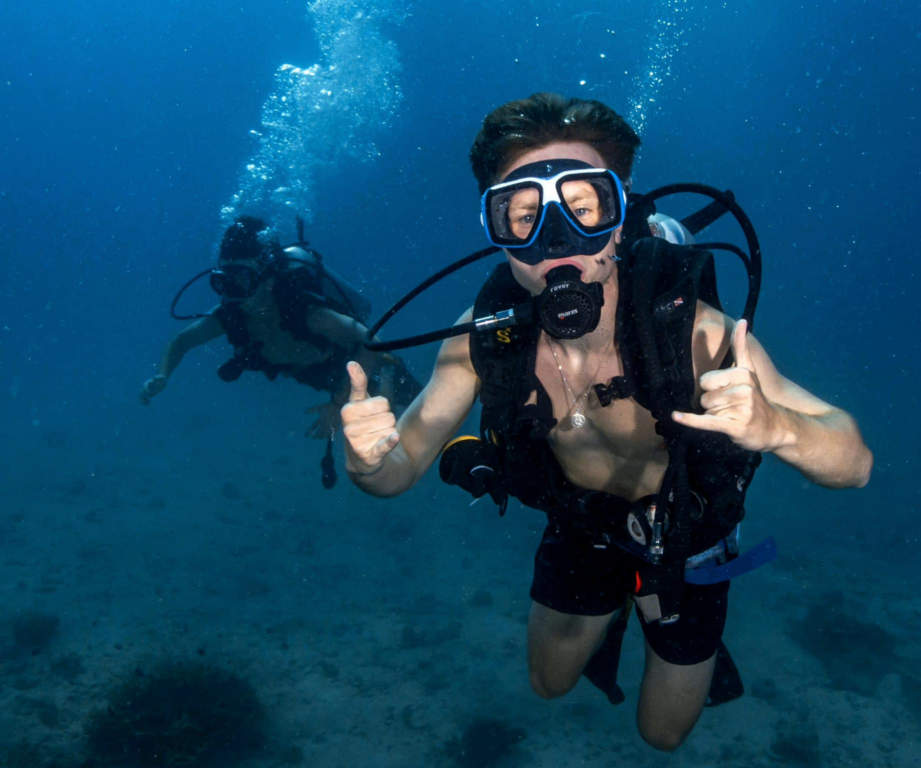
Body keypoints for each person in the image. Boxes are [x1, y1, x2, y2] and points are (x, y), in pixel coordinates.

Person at [340, 93, 873, 751]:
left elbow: (856, 462)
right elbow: (396, 473)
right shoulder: (482, 339)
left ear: (620, 216)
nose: (558, 240)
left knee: (663, 735)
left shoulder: (696, 336)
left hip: (689, 534)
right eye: (525, 215)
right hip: (582, 524)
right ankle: (618, 602)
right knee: (548, 683)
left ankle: (654, 603)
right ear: (493, 226)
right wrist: (368, 461)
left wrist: (779, 428)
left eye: (585, 207)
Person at [140, 216, 421, 442]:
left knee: (422, 416)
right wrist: (162, 374)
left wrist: (337, 406)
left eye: (241, 280)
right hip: (314, 375)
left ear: (268, 279)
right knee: (391, 437)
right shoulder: (232, 315)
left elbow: (373, 342)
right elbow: (181, 341)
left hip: (360, 368)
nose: (231, 293)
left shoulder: (307, 314)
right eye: (223, 282)